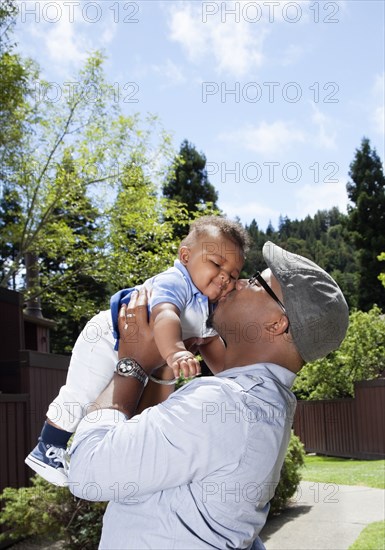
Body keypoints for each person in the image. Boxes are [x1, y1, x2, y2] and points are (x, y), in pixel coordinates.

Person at [67, 241, 349, 549]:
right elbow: (141, 446)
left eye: (255, 282)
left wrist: (131, 365)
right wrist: (161, 369)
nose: (236, 282)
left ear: (277, 323)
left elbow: (87, 471)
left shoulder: (227, 403)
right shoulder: (264, 404)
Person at [25, 216, 248, 486]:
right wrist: (176, 351)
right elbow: (165, 315)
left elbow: (211, 345)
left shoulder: (209, 308)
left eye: (233, 275)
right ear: (186, 256)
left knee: (126, 410)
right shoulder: (176, 282)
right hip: (107, 338)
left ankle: (98, 449)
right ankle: (48, 445)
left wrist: (238, 379)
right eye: (216, 263)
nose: (224, 276)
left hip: (143, 356)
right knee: (82, 393)